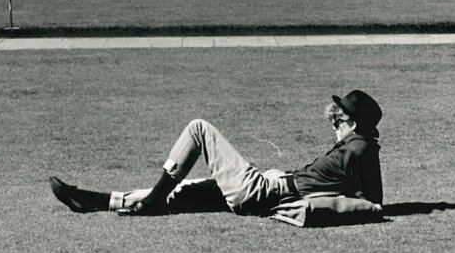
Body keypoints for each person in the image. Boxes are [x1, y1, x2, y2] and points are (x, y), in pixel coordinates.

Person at [49, 90, 384, 218]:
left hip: (264, 191)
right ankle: (95, 200)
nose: (334, 126)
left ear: (351, 123)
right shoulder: (360, 148)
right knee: (181, 194)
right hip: (267, 188)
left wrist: (311, 207)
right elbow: (365, 193)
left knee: (199, 128)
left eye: (337, 121)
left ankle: (150, 200)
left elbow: (371, 201)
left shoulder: (357, 148)